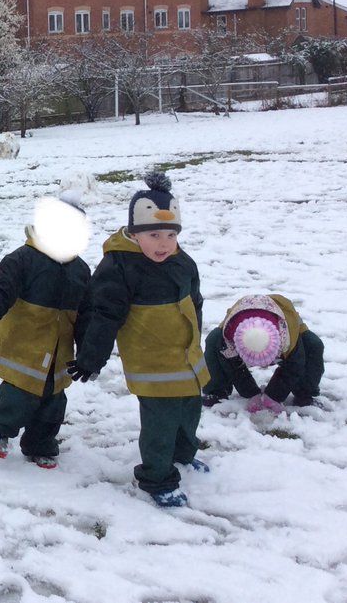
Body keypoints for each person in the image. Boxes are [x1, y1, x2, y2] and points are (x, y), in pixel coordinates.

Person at [70, 173, 210, 508]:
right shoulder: (119, 267)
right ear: (134, 233)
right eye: (154, 234)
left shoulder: (182, 262)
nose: (163, 243)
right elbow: (104, 315)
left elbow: (196, 301)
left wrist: (196, 340)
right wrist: (91, 358)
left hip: (187, 357)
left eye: (171, 234)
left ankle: (182, 455)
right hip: (152, 362)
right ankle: (156, 478)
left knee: (189, 411)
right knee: (160, 421)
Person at [0, 193, 92, 468]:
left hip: (60, 352)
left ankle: (40, 443)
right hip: (26, 346)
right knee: (19, 396)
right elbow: (1, 289)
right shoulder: (22, 259)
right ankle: (0, 426)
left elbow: (88, 314)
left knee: (54, 403)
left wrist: (90, 354)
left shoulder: (81, 270)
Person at [202, 294, 324, 412]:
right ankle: (217, 391)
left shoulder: (287, 337)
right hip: (243, 315)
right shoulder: (228, 335)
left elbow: (295, 365)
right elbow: (232, 367)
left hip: (285, 317)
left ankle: (304, 394)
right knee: (213, 340)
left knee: (313, 344)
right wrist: (250, 392)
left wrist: (274, 395)